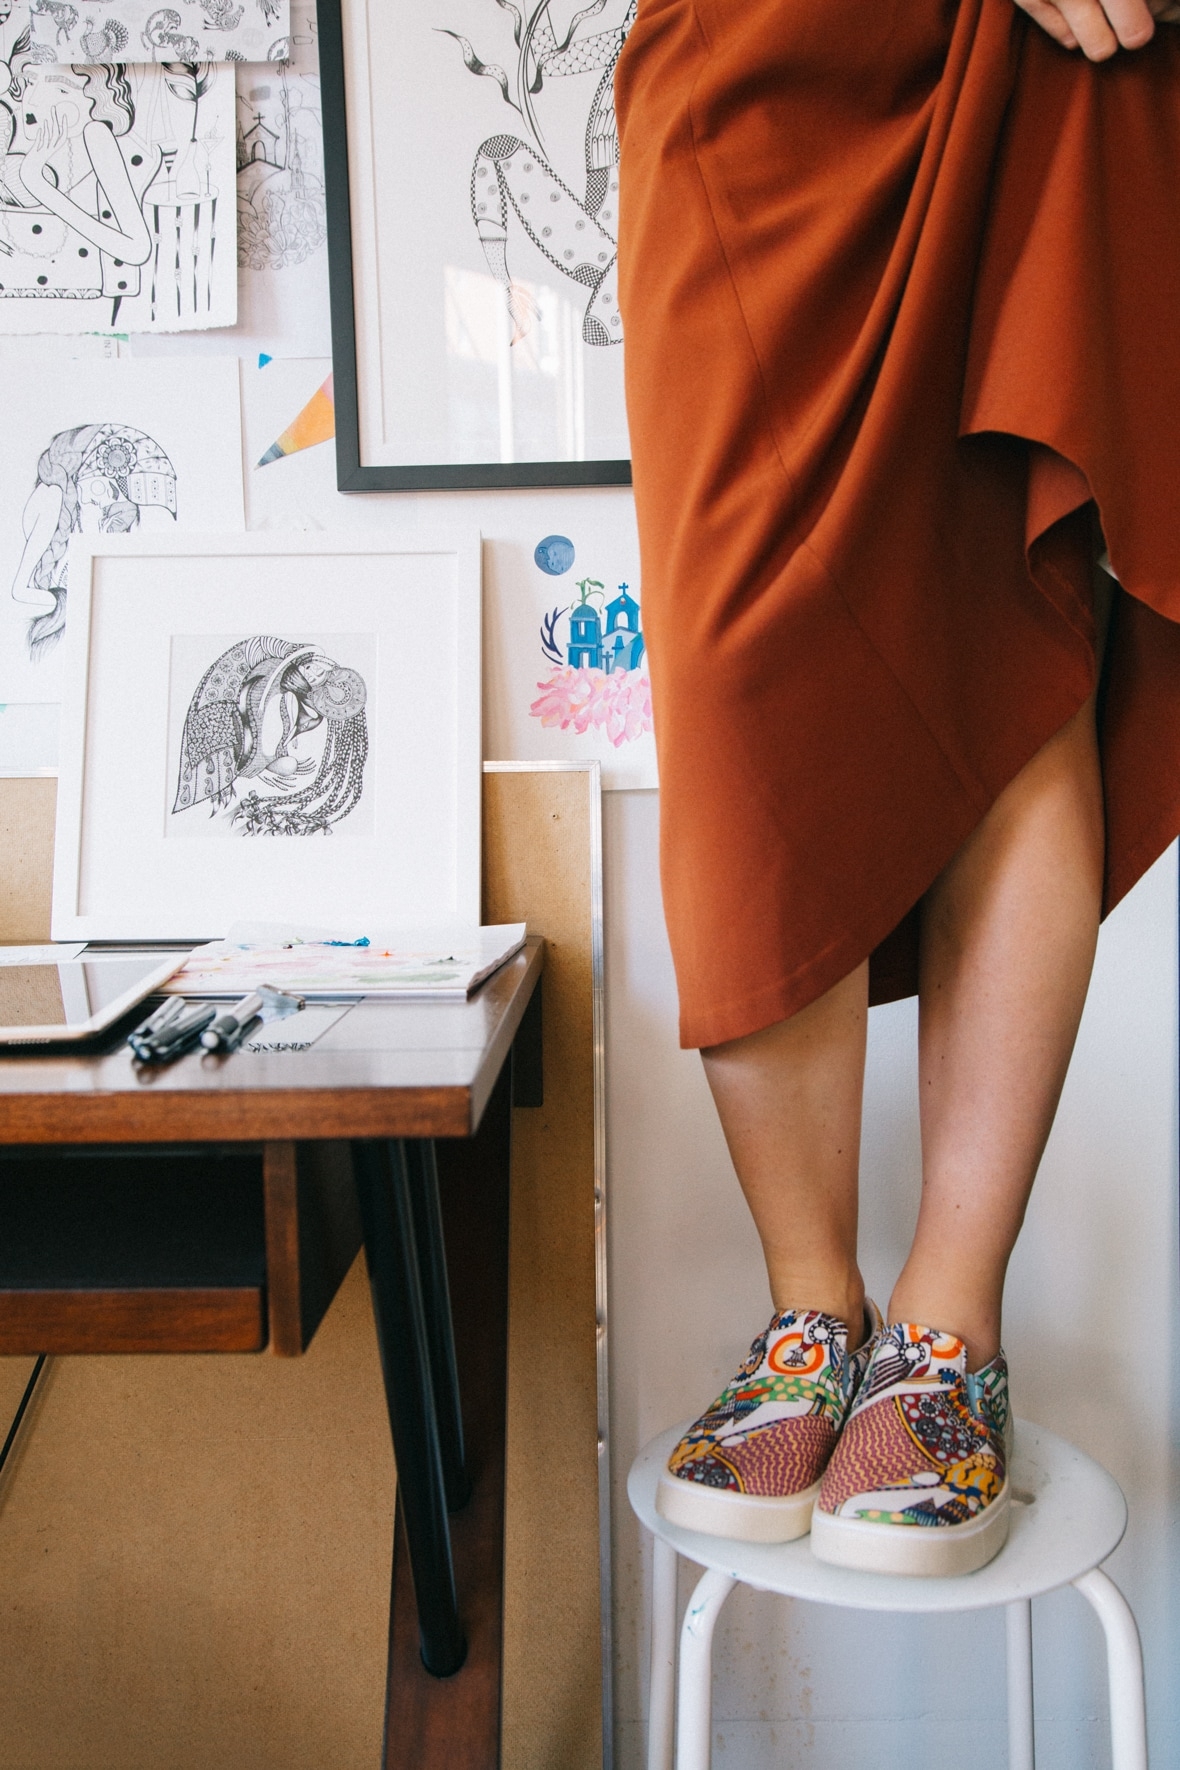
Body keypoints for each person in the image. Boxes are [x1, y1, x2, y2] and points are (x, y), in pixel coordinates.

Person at [614, 0, 1180, 1575]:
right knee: (740, 694)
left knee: (1011, 610)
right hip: (757, 55)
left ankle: (946, 1323)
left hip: (1038, 55)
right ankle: (811, 1300)